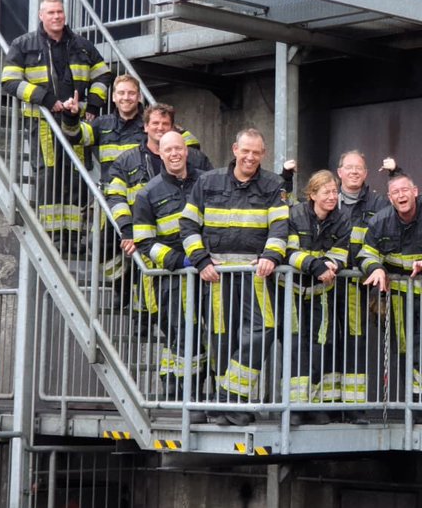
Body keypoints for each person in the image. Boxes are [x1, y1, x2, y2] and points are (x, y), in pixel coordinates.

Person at [179, 128, 289, 426]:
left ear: (263, 154)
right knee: (222, 337)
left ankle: (228, 397)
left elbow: (280, 227)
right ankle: (229, 405)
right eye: (246, 151)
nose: (250, 157)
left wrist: (271, 256)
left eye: (256, 152)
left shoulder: (273, 184)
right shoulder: (207, 181)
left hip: (256, 275)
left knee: (265, 328)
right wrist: (201, 260)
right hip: (217, 276)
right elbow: (187, 224)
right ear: (235, 150)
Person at [0, 0, 112, 250]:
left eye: (59, 12)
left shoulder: (82, 46)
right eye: (51, 13)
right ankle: (52, 236)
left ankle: (73, 236)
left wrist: (93, 104)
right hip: (42, 120)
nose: (56, 16)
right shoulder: (23, 44)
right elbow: (10, 81)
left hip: (76, 120)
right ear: (41, 16)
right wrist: (46, 99)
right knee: (48, 175)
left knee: (76, 173)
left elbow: (103, 75)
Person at [357, 173, 422, 423]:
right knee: (405, 350)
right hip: (397, 298)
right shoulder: (380, 221)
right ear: (390, 198)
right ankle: (413, 404)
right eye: (395, 192)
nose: (401, 195)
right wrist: (375, 268)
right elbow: (366, 254)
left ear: (415, 192)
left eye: (405, 190)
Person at [132, 131, 210, 401]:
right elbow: (144, 241)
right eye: (168, 150)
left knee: (208, 335)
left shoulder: (207, 182)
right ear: (160, 154)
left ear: (186, 151)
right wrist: (180, 261)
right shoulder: (147, 194)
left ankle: (187, 390)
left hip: (208, 272)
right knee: (181, 333)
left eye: (178, 148)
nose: (175, 154)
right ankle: (183, 392)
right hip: (172, 277)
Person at [285, 170, 352, 426]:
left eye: (335, 192)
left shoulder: (342, 218)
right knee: (296, 346)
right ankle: (294, 407)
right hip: (291, 292)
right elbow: (288, 252)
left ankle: (314, 404)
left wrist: (332, 263)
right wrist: (316, 265)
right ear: (312, 195)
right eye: (326, 192)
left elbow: (341, 252)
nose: (332, 197)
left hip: (321, 294)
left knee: (319, 346)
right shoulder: (295, 215)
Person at [335, 150, 393, 418]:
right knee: (327, 342)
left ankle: (354, 407)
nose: (354, 172)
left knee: (355, 343)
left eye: (359, 168)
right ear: (340, 172)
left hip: (358, 284)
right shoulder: (328, 198)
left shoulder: (378, 203)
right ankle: (326, 405)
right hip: (327, 283)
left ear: (366, 173)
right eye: (349, 167)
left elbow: (405, 205)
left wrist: (395, 172)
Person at [107, 104, 212, 249]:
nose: (160, 128)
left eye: (165, 123)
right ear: (145, 127)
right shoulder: (126, 161)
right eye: (155, 123)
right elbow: (115, 197)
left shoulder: (196, 158)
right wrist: (128, 229)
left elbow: (213, 193)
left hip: (194, 240)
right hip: (146, 237)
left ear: (172, 127)